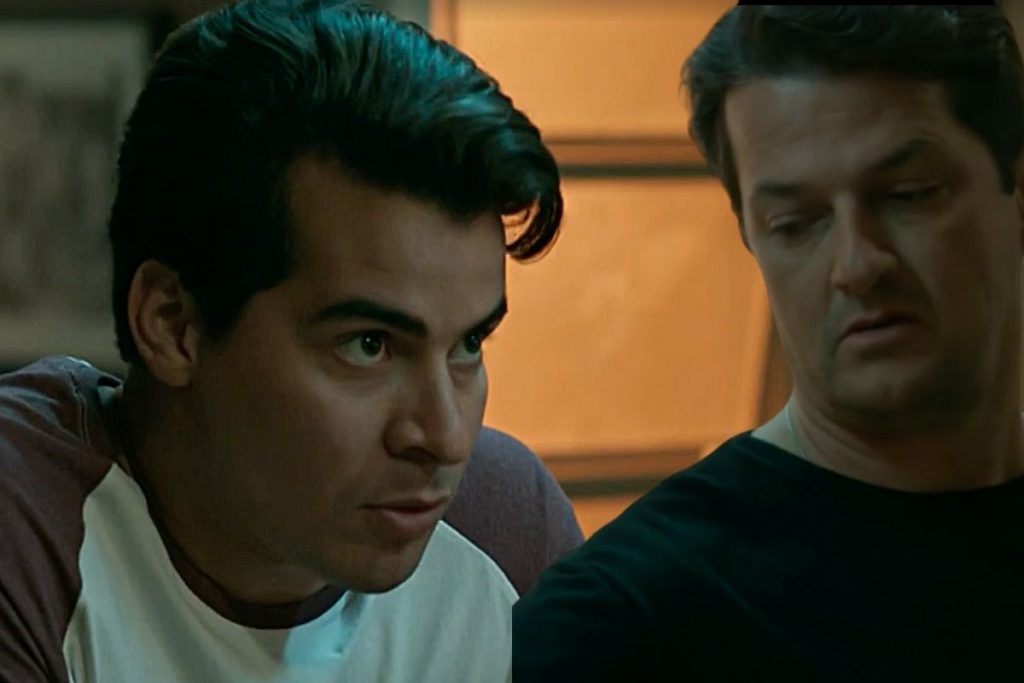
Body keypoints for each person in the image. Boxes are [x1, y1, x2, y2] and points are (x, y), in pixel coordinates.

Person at [0, 1, 583, 681]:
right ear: (174, 324)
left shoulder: (505, 528)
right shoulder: (28, 534)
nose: (445, 436)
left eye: (469, 344)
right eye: (369, 345)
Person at [513, 5, 1024, 681]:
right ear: (751, 236)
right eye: (796, 223)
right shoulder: (623, 622)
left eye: (907, 194)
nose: (857, 263)